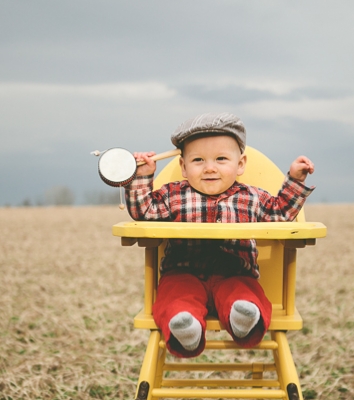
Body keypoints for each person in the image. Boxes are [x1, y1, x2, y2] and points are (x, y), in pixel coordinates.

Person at [125, 113, 315, 357]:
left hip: (234, 271)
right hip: (183, 272)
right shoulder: (173, 195)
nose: (210, 168)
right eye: (198, 160)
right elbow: (145, 213)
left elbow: (280, 213)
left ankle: (243, 317)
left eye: (221, 159)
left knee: (245, 293)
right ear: (183, 167)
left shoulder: (252, 197)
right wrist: (142, 176)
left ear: (241, 164)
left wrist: (296, 180)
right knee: (174, 296)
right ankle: (185, 327)